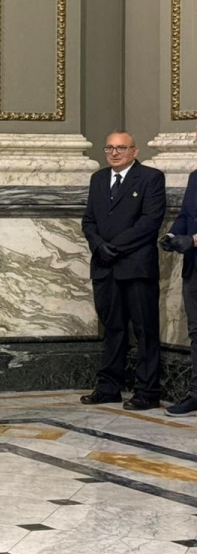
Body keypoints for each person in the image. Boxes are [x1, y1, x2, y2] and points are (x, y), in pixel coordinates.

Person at [80, 132, 166, 410]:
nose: (114, 153)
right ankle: (108, 387)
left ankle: (147, 391)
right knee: (113, 329)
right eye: (110, 148)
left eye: (121, 148)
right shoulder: (98, 179)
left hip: (136, 266)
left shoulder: (151, 178)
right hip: (104, 266)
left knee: (145, 330)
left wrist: (114, 246)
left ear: (134, 151)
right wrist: (98, 246)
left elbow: (150, 222)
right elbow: (89, 220)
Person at [162, 165, 197, 416]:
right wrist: (173, 234)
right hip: (194, 268)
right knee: (196, 331)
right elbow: (186, 214)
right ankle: (196, 394)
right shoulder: (195, 176)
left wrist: (193, 240)